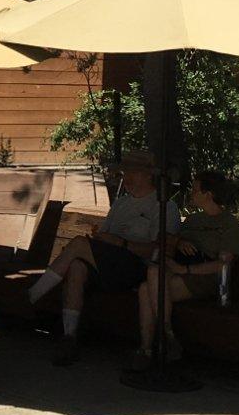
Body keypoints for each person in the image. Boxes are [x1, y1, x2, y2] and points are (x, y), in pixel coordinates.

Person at [26, 148, 178, 366]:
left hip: (136, 269)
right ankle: (69, 336)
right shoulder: (121, 203)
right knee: (78, 266)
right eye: (125, 173)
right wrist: (101, 239)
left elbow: (158, 250)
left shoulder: (163, 206)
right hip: (110, 264)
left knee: (78, 244)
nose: (127, 178)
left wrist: (121, 243)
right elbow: (103, 236)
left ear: (147, 175)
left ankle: (33, 295)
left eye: (133, 173)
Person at [134, 168, 239, 371]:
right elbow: (168, 239)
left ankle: (150, 348)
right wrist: (180, 241)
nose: (191, 193)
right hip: (180, 271)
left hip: (205, 277)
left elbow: (223, 264)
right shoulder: (193, 220)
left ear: (208, 194)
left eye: (195, 189)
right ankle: (164, 339)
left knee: (147, 288)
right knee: (149, 281)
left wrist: (185, 270)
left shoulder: (229, 224)